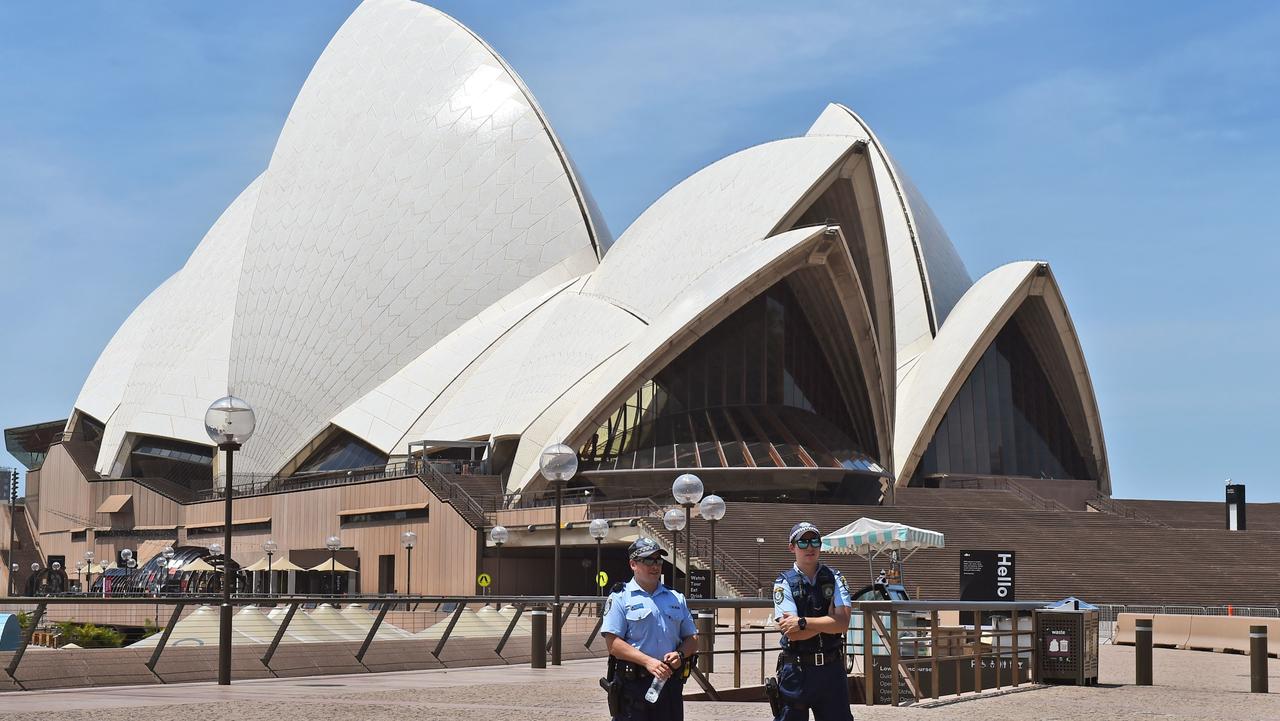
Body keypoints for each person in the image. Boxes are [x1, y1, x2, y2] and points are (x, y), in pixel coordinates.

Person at [601, 537, 699, 720]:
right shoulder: (620, 597)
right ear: (633, 564)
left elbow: (692, 638)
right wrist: (648, 662)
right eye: (648, 560)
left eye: (658, 560)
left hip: (668, 685)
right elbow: (613, 644)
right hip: (633, 686)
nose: (655, 566)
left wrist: (680, 655)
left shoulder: (676, 598)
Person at [769, 522, 854, 721]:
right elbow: (791, 633)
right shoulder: (783, 582)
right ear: (792, 547)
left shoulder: (835, 577)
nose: (810, 547)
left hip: (831, 669)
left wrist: (803, 622)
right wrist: (829, 621)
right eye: (803, 542)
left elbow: (843, 623)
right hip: (797, 670)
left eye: (814, 541)